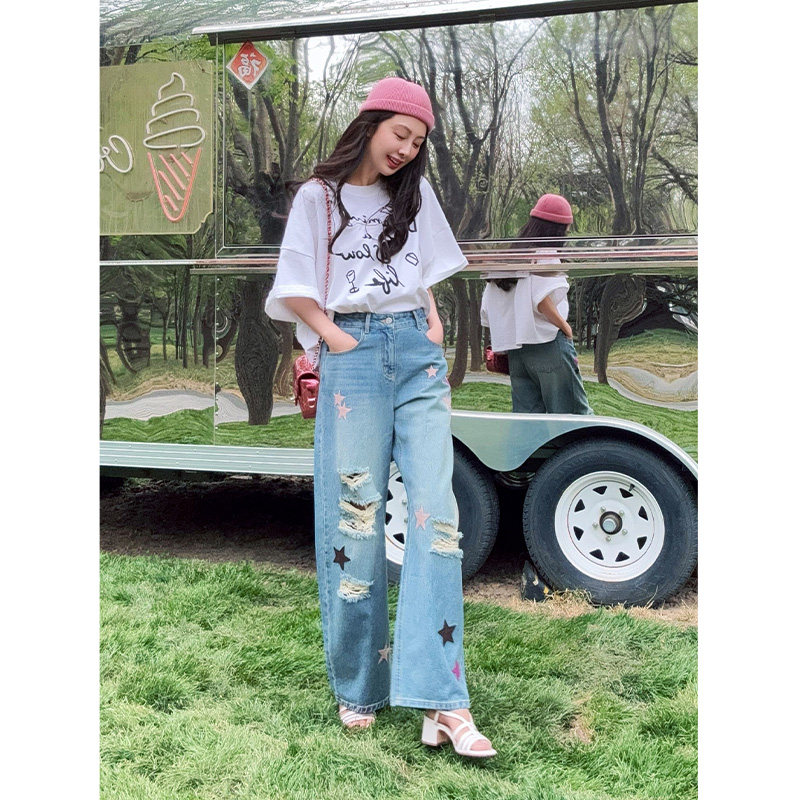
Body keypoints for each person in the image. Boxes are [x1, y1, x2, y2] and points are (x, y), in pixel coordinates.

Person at [265, 76, 495, 758]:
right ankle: (360, 684)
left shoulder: (413, 197)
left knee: (437, 516)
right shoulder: (319, 197)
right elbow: (294, 285)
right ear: (370, 125)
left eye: (418, 142)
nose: (407, 149)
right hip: (355, 355)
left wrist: (432, 322)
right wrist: (335, 339)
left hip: (416, 354)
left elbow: (425, 269)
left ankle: (443, 699)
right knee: (356, 515)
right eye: (401, 134)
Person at [480, 194, 592, 415]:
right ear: (558, 229)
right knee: (572, 416)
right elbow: (541, 300)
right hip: (547, 343)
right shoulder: (545, 253)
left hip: (518, 352)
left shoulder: (511, 257)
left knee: (528, 420)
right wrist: (565, 328)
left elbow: (487, 308)